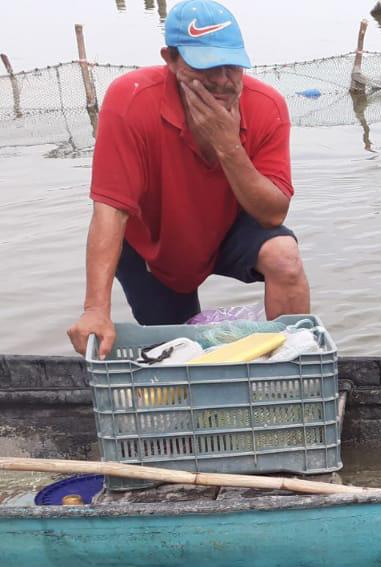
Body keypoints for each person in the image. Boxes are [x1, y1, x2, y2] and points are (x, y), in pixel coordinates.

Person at [66, 0, 309, 359]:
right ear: (172, 59)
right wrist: (95, 309)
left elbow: (272, 215)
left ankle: (292, 372)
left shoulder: (266, 106)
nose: (223, 81)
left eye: (232, 65)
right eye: (207, 66)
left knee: (284, 258)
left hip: (229, 220)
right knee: (181, 352)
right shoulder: (130, 100)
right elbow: (110, 212)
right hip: (154, 238)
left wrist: (228, 146)